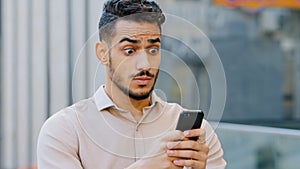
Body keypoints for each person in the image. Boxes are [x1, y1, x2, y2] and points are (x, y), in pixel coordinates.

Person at [37, 0, 227, 168]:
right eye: (129, 50)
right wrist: (148, 166)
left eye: (153, 49)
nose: (145, 64)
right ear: (102, 53)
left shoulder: (197, 134)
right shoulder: (64, 131)